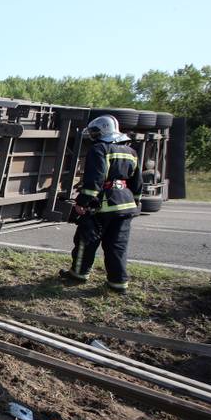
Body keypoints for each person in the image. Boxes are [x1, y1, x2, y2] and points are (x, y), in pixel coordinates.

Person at [60, 115, 142, 292]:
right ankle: (118, 283)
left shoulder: (100, 149)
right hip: (125, 205)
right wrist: (135, 202)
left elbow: (95, 179)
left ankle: (78, 274)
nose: (93, 136)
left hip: (103, 204)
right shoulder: (131, 152)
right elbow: (137, 182)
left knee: (86, 239)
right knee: (117, 246)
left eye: (95, 132)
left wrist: (82, 202)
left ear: (103, 131)